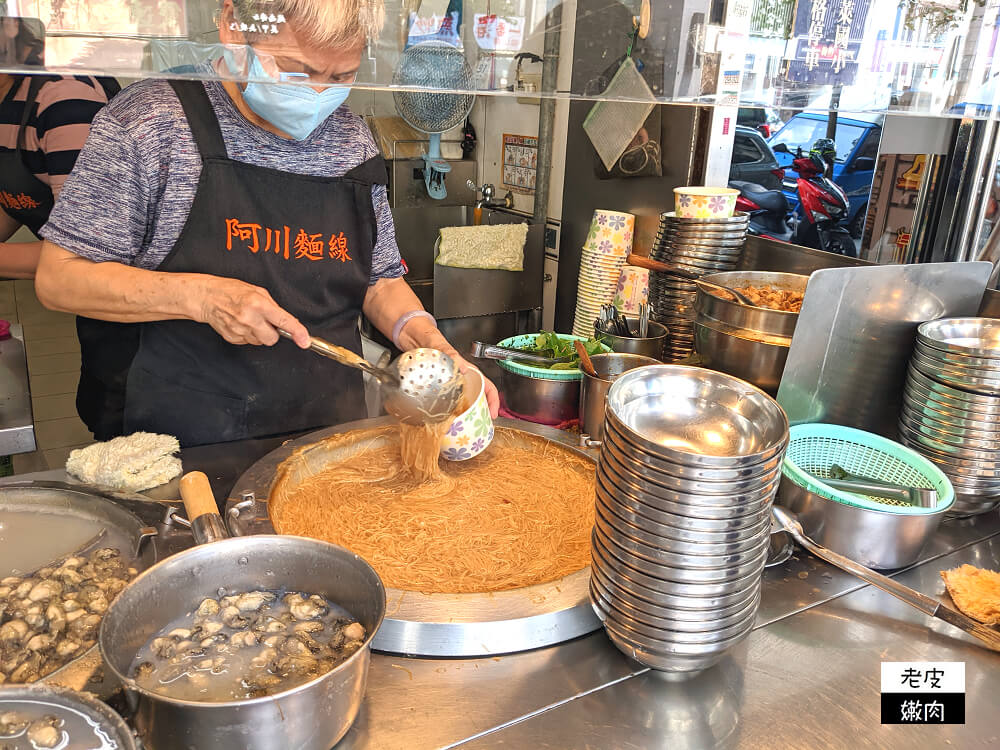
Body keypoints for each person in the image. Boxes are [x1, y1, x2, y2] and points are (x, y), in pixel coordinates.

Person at [35, 0, 499, 446]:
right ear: (232, 26)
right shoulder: (151, 123)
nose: (319, 94)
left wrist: (432, 344)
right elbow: (59, 278)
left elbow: (378, 281)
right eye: (295, 70)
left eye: (342, 76)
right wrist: (201, 298)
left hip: (327, 427)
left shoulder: (352, 140)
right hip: (189, 441)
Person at [0, 16, 118, 278]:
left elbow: (88, 249)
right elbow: (24, 190)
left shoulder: (63, 96)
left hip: (138, 293)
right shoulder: (7, 95)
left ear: (10, 25)